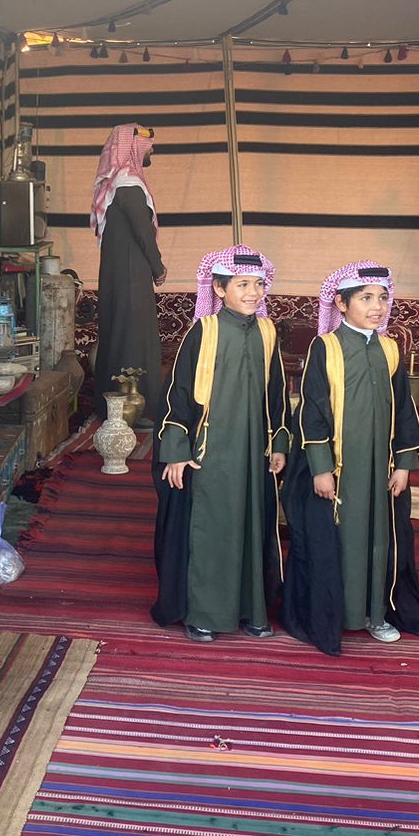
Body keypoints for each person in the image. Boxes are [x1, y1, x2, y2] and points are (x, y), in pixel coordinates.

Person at [281, 261, 419, 655]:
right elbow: (312, 412)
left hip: (381, 470)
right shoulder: (326, 347)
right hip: (340, 470)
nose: (377, 307)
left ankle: (377, 614)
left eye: (382, 298)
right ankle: (339, 614)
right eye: (366, 298)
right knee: (341, 540)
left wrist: (404, 464)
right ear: (341, 302)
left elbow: (404, 410)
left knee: (379, 540)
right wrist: (321, 469)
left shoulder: (389, 349)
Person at [151, 245, 289, 643]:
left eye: (258, 284)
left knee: (253, 529)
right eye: (242, 285)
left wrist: (280, 443)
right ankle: (204, 613)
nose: (253, 293)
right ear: (218, 288)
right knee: (213, 531)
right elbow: (177, 394)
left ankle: (252, 611)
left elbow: (278, 394)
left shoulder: (267, 332)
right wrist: (176, 452)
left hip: (255, 454)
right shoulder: (204, 331)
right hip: (210, 455)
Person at [92, 123, 165, 421]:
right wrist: (158, 267)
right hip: (131, 275)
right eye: (147, 145)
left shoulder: (117, 186)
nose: (151, 150)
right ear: (132, 147)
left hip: (120, 274)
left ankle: (112, 407)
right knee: (133, 338)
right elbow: (143, 233)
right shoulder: (128, 186)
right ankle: (136, 409)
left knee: (120, 334)